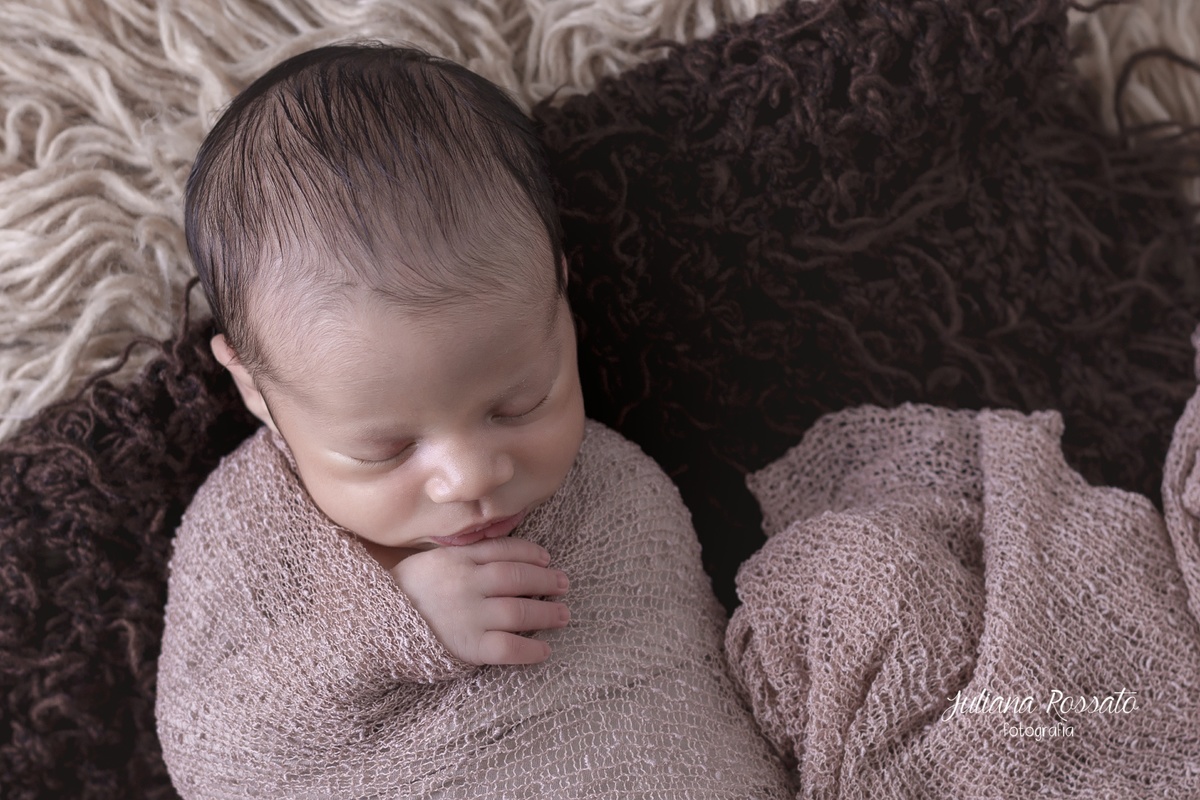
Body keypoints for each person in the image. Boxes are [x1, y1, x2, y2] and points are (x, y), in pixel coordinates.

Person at [154, 43, 791, 798]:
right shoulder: (244, 533)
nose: (472, 477)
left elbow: (694, 696)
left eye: (519, 404)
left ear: (560, 301)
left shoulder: (618, 497)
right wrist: (391, 630)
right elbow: (208, 751)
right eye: (387, 449)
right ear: (256, 389)